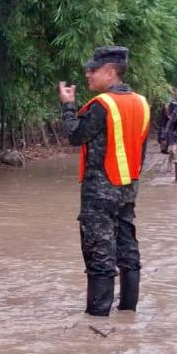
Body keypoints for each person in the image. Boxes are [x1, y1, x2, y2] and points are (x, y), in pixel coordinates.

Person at [58, 46, 150, 317]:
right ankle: (128, 312)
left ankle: (97, 319)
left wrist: (68, 106)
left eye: (93, 70)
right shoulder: (142, 103)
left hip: (100, 192)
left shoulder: (103, 105)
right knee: (127, 248)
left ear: (110, 72)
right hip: (128, 189)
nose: (87, 74)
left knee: (99, 254)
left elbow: (75, 135)